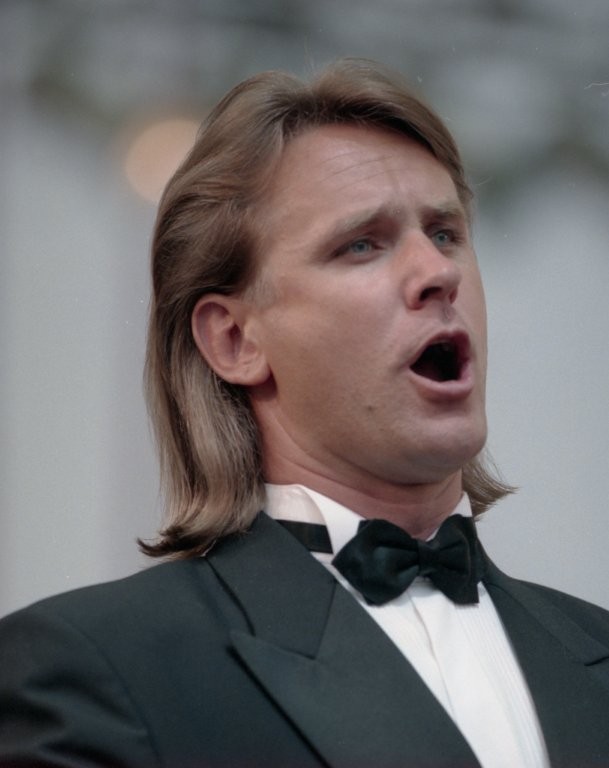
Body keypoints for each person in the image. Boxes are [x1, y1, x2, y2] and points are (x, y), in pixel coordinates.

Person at [1, 58, 608, 768]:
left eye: (445, 233)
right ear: (235, 340)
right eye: (362, 244)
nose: (438, 273)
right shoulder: (96, 671)